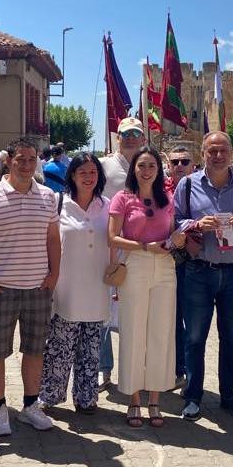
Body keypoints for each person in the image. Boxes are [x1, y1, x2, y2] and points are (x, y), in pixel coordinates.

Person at [0, 137, 60, 436]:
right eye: (20, 158)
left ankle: (30, 407)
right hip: (1, 289)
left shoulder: (48, 196)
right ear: (9, 160)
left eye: (31, 159)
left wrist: (54, 274)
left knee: (34, 351)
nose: (25, 164)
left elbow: (52, 239)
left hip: (37, 288)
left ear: (37, 161)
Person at [174, 131, 233, 421]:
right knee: (195, 338)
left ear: (231, 154)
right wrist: (197, 224)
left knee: (231, 337)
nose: (217, 156)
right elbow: (175, 222)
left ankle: (229, 395)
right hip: (199, 271)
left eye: (222, 150)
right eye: (211, 151)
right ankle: (193, 395)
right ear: (203, 153)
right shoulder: (187, 185)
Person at [109, 147, 184, 427]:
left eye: (151, 165)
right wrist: (144, 246)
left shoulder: (168, 199)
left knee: (161, 333)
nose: (147, 170)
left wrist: (176, 239)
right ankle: (133, 399)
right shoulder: (123, 198)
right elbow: (112, 238)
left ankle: (155, 399)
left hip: (165, 266)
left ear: (158, 169)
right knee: (133, 331)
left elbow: (172, 230)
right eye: (141, 165)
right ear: (134, 169)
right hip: (136, 264)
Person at [39, 154, 111, 414]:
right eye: (82, 172)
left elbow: (116, 244)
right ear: (71, 175)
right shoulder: (58, 204)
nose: (88, 177)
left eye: (93, 172)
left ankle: (86, 397)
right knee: (60, 347)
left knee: (91, 348)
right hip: (65, 289)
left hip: (97, 287)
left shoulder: (108, 206)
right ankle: (50, 394)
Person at [98, 117, 147, 390]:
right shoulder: (104, 166)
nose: (129, 138)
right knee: (103, 310)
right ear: (118, 137)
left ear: (142, 138)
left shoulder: (148, 166)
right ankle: (104, 370)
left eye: (135, 134)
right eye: (125, 133)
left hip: (140, 251)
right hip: (109, 248)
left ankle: (134, 369)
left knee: (134, 312)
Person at [167, 146, 192, 388]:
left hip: (191, 263)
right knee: (169, 318)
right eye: (175, 162)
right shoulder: (159, 189)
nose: (180, 166)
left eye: (185, 161)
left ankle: (183, 368)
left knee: (188, 319)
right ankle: (171, 367)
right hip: (163, 261)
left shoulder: (197, 189)